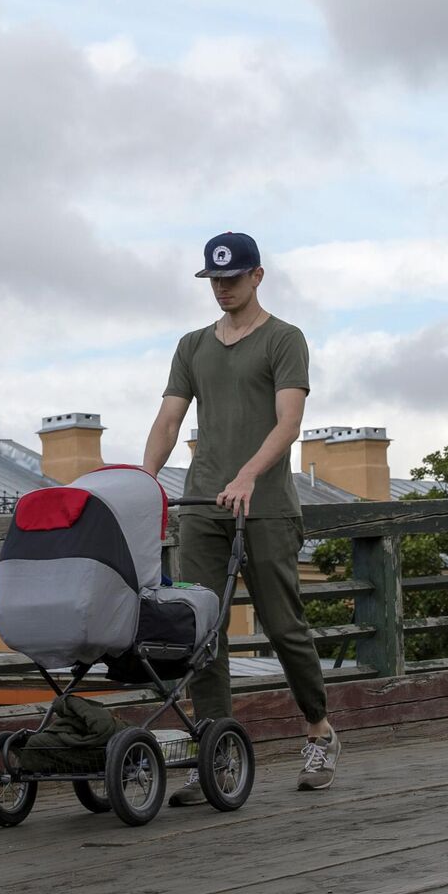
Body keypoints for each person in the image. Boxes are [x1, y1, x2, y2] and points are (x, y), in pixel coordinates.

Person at [143, 231, 337, 801]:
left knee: (284, 628)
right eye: (214, 281)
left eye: (233, 278)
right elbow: (169, 420)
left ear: (257, 276)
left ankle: (319, 729)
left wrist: (248, 475)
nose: (223, 289)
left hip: (267, 508)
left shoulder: (284, 339)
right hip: (204, 508)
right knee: (202, 632)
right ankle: (216, 755)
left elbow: (288, 422)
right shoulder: (193, 346)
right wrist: (143, 477)